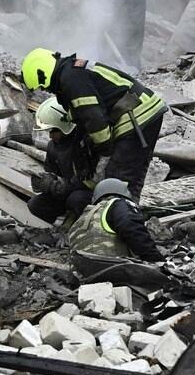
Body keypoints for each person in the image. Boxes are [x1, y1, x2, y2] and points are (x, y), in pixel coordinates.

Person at [20, 48, 165, 200]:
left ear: (42, 74)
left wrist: (105, 153)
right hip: (145, 111)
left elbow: (94, 119)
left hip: (136, 116)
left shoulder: (71, 80)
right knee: (130, 181)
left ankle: (120, 218)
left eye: (43, 86)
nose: (47, 90)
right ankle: (129, 215)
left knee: (116, 180)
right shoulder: (73, 72)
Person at [27, 98, 97, 225]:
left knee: (76, 200)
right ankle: (56, 229)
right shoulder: (52, 146)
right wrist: (44, 181)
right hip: (66, 191)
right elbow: (52, 171)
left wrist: (61, 187)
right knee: (35, 205)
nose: (50, 136)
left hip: (86, 193)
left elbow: (91, 180)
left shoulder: (84, 142)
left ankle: (79, 228)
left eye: (53, 130)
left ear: (64, 126)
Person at [69, 178, 164, 269]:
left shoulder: (79, 221)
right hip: (112, 270)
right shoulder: (117, 203)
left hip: (83, 278)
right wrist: (155, 259)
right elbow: (131, 228)